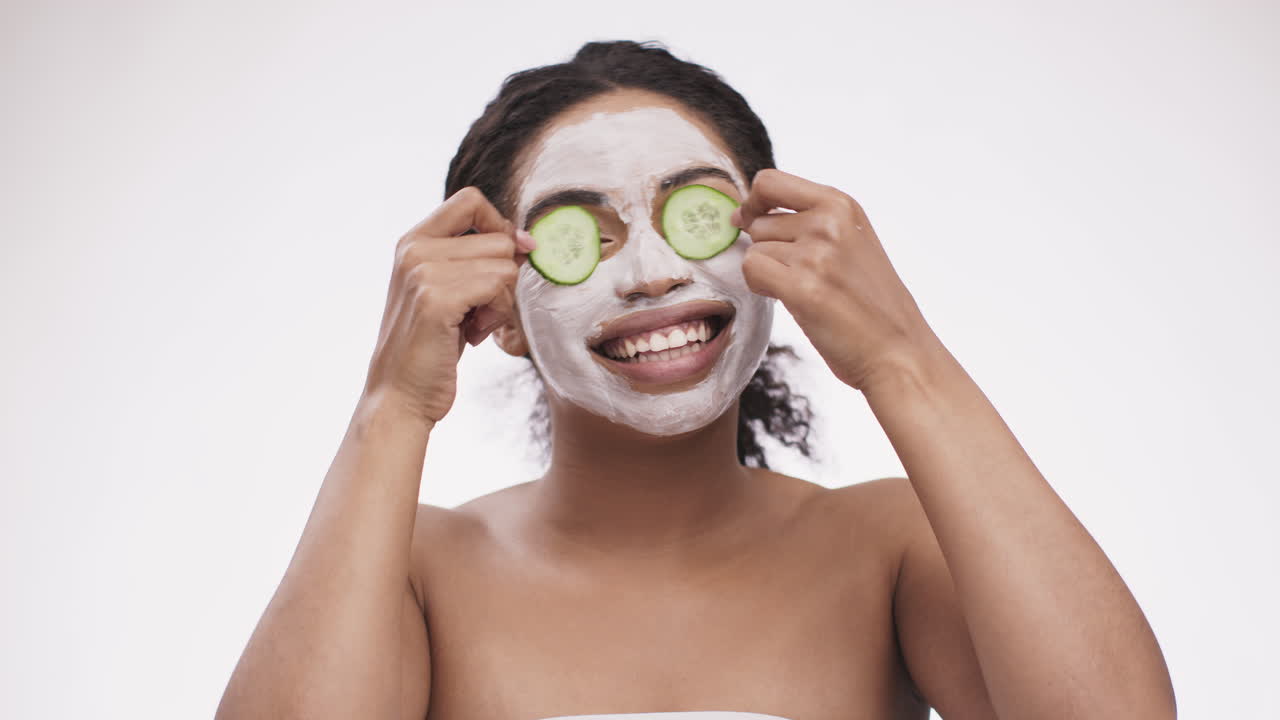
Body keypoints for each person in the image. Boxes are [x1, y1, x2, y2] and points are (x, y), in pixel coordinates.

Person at [215, 41, 1176, 720]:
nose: (651, 273)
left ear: (772, 249)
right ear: (498, 308)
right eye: (580, 235)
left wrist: (904, 358)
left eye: (695, 216)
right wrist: (392, 406)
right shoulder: (417, 571)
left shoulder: (888, 548)